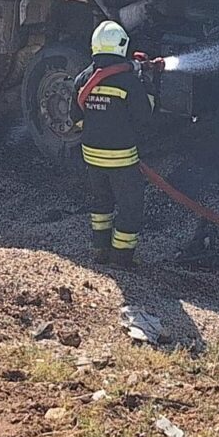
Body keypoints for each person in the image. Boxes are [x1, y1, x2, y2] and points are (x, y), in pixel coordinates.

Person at [72, 21, 153, 268]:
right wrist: (147, 83)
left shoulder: (84, 78)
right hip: (122, 158)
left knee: (102, 205)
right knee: (130, 208)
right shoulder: (128, 82)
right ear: (122, 46)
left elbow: (75, 118)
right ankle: (121, 258)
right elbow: (145, 117)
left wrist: (96, 133)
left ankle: (100, 251)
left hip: (91, 157)